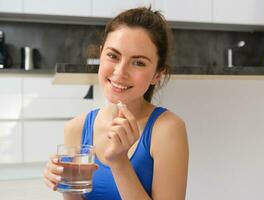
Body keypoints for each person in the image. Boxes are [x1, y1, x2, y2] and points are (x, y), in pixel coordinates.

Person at [43, 6, 189, 200]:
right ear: (101, 54)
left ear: (157, 74)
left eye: (138, 62)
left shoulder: (167, 129)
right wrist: (66, 184)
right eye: (113, 56)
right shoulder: (76, 128)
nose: (120, 72)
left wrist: (119, 162)